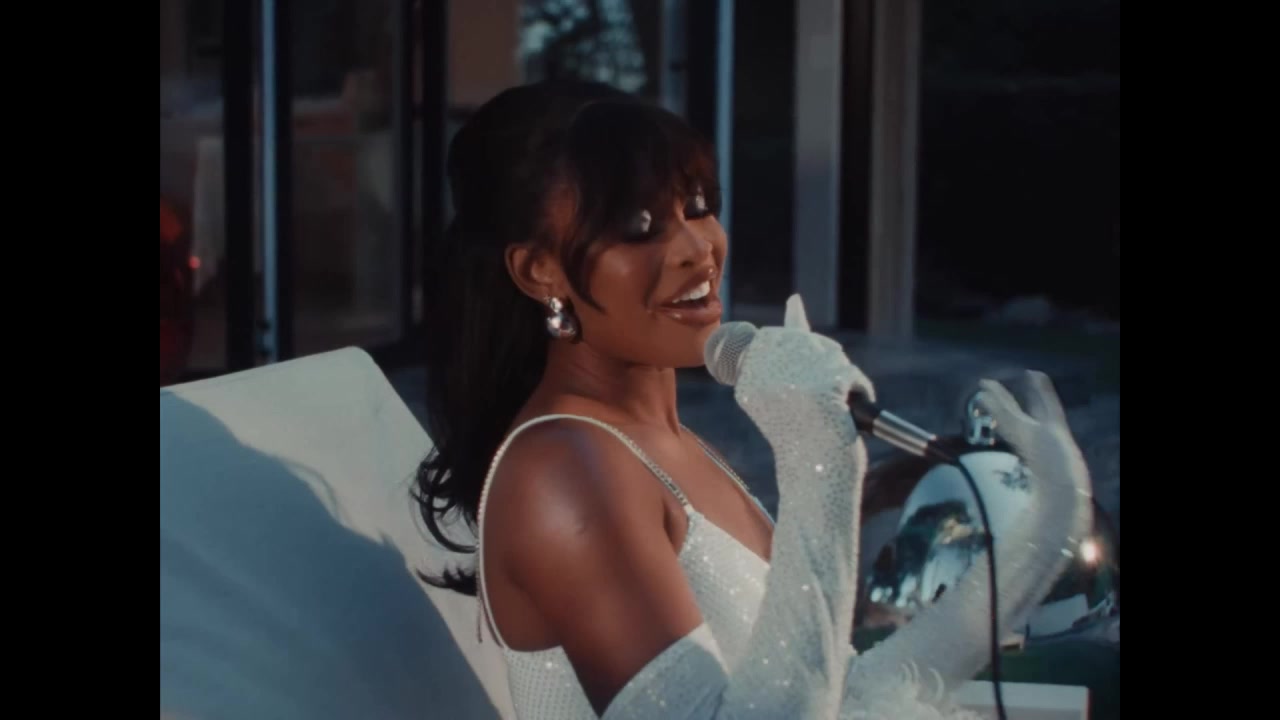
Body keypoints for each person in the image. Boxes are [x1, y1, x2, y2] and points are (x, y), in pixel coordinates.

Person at [414, 80, 1095, 719]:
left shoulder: (667, 446)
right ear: (540, 271)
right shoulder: (560, 471)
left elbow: (846, 690)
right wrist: (817, 462)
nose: (697, 249)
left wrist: (1048, 524)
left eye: (697, 207)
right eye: (639, 225)